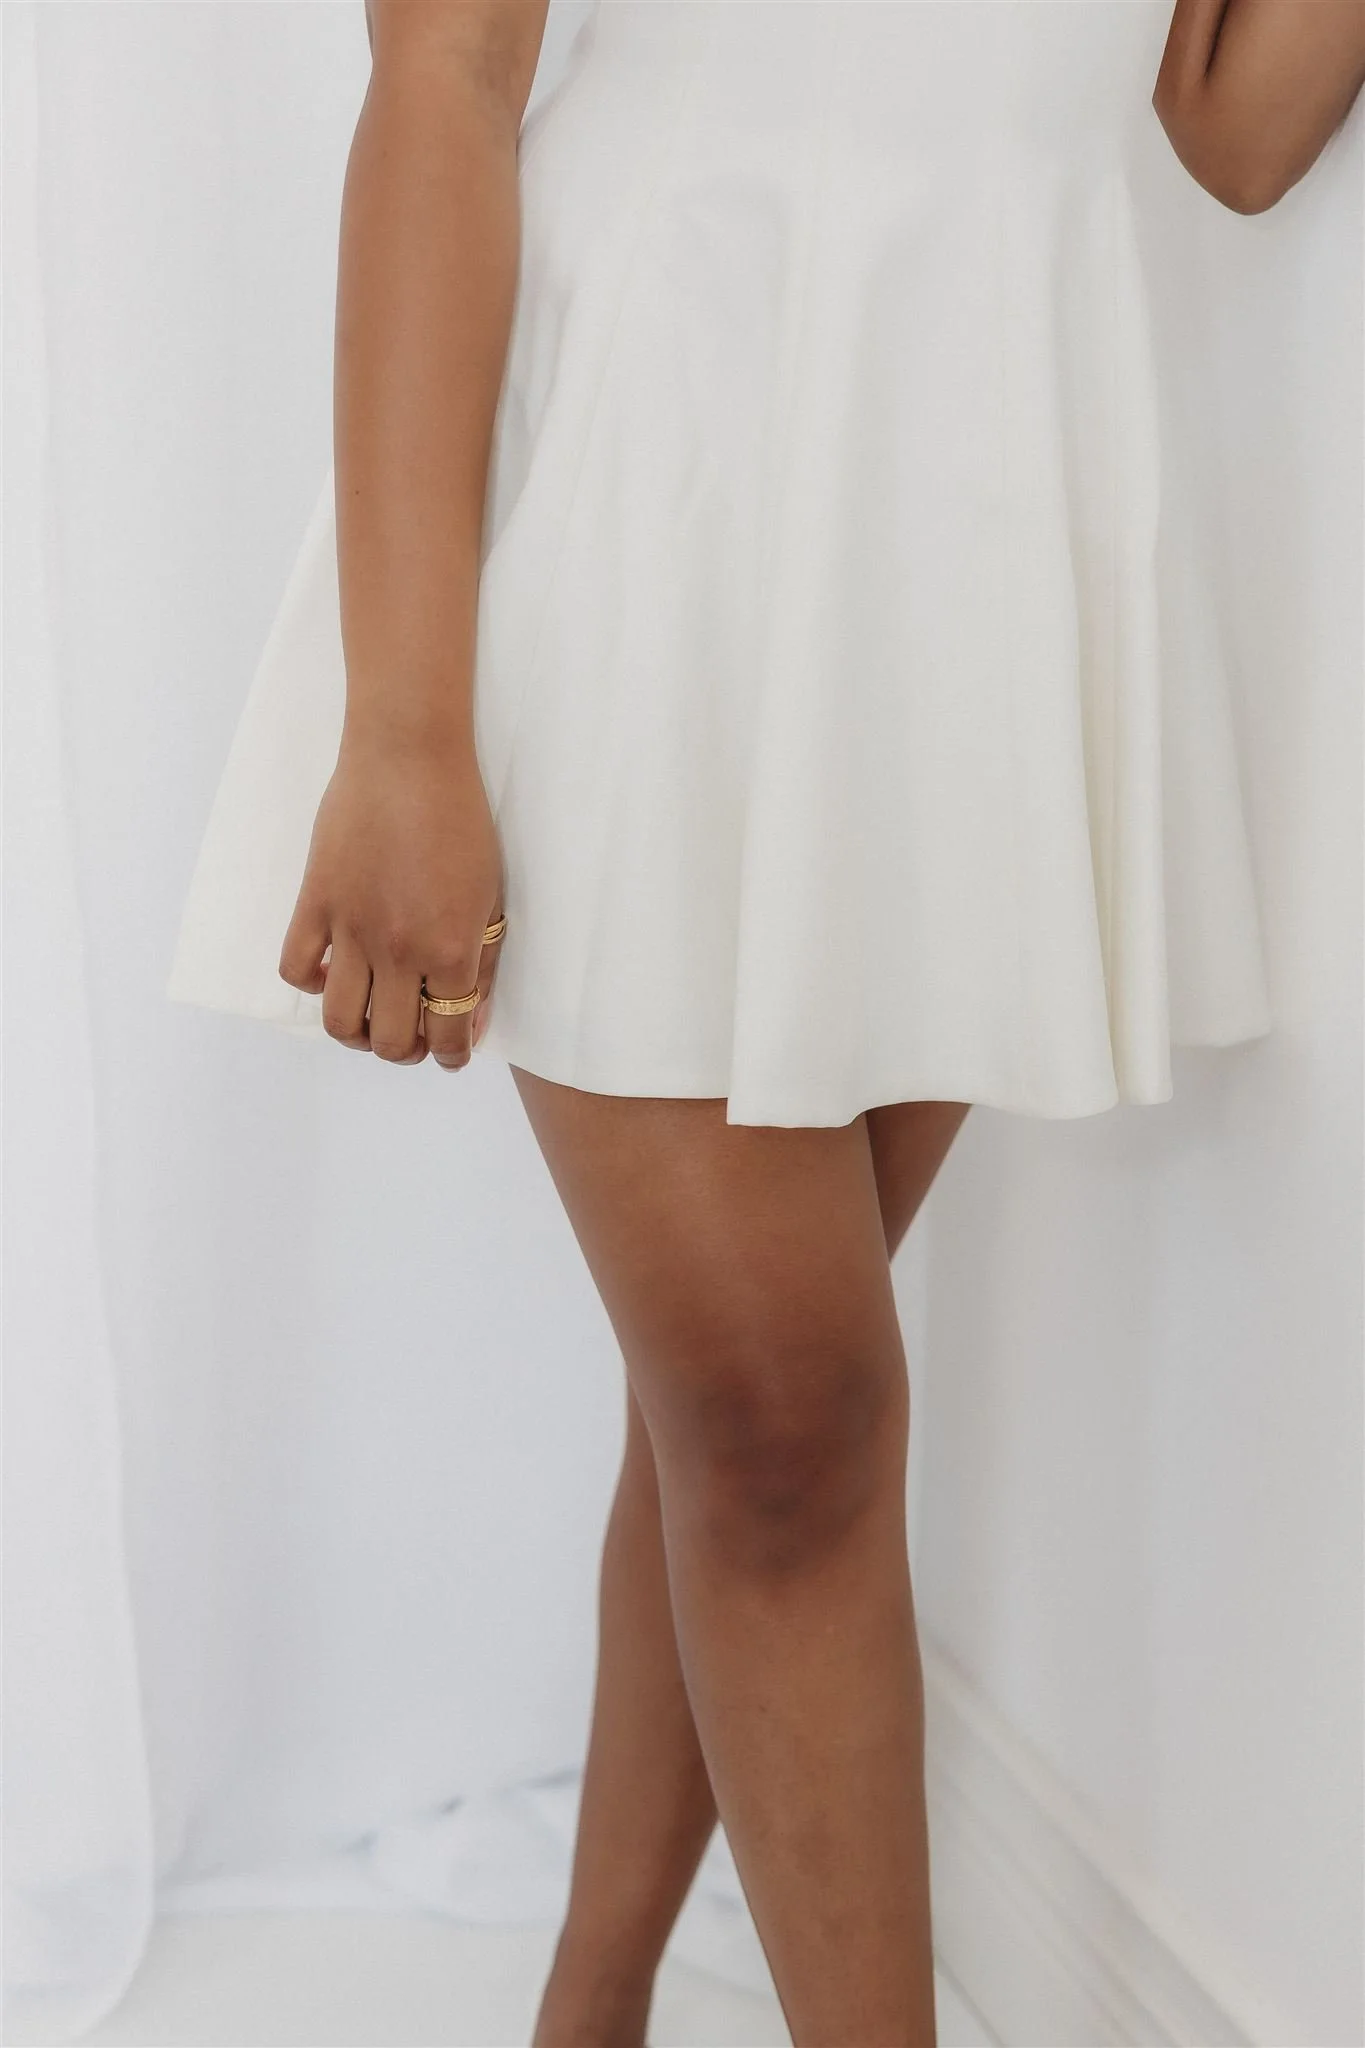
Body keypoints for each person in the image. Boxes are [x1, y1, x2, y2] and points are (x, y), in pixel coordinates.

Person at [168, 2, 1365, 2041]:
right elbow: (443, 83)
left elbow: (1228, 127)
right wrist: (406, 725)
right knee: (786, 1416)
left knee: (753, 1418)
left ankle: (590, 2008)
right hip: (663, 481)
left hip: (977, 518)